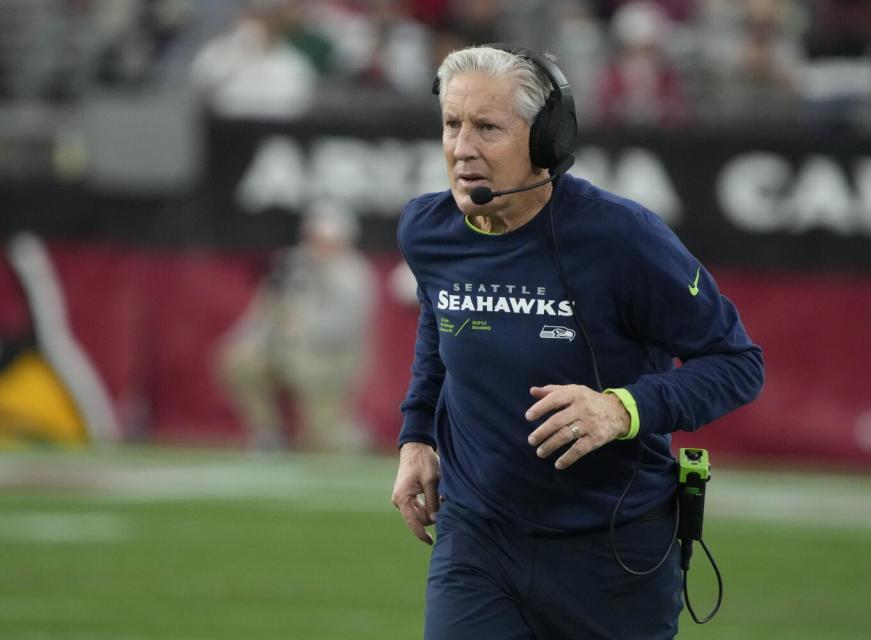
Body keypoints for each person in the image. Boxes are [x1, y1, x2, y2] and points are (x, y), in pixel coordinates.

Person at [390, 44, 764, 639]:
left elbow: (738, 364)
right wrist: (416, 437)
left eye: (487, 127)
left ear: (548, 141)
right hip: (477, 540)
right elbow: (440, 327)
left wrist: (621, 408)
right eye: (452, 124)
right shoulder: (427, 228)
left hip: (614, 551)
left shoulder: (623, 239)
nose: (462, 149)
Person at [217, 203, 375, 452]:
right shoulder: (290, 263)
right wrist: (248, 338)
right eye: (317, 237)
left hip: (327, 361)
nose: (321, 245)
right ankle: (267, 432)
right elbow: (262, 311)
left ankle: (349, 435)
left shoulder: (353, 274)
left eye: (328, 239)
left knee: (327, 442)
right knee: (240, 359)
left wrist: (302, 327)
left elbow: (343, 331)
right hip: (284, 350)